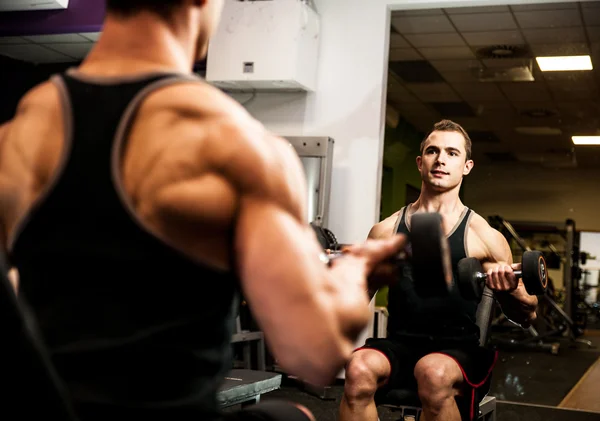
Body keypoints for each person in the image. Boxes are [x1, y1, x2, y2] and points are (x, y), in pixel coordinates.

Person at [0, 1, 409, 421]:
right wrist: (355, 274)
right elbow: (313, 352)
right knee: (293, 416)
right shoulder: (234, 144)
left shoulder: (16, 135)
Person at [339, 119, 539, 421]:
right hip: (400, 346)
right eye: (432, 151)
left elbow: (527, 315)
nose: (441, 159)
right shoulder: (385, 231)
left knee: (431, 371)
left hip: (458, 352)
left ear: (467, 166)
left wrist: (508, 289)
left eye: (452, 153)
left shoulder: (483, 236)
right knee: (358, 368)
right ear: (420, 163)